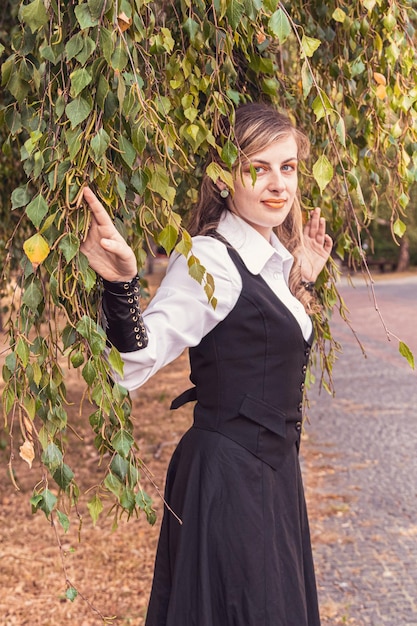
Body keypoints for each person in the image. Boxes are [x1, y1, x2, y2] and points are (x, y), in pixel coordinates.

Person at [81, 102, 333, 626]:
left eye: (287, 167)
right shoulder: (211, 260)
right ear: (224, 179)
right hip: (228, 480)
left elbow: (265, 343)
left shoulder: (270, 259)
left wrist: (301, 279)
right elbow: (135, 361)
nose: (278, 184)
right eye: (257, 168)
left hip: (271, 475)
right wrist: (123, 284)